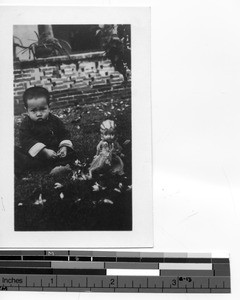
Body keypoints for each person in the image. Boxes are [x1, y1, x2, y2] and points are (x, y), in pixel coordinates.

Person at [15, 86, 75, 177]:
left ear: (49, 107)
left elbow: (64, 133)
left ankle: (61, 166)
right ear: (26, 110)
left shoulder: (54, 120)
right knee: (14, 152)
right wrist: (44, 151)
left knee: (70, 152)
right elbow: (26, 140)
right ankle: (35, 167)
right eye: (33, 110)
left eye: (43, 109)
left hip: (55, 153)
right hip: (37, 156)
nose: (39, 114)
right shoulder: (26, 124)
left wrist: (64, 147)